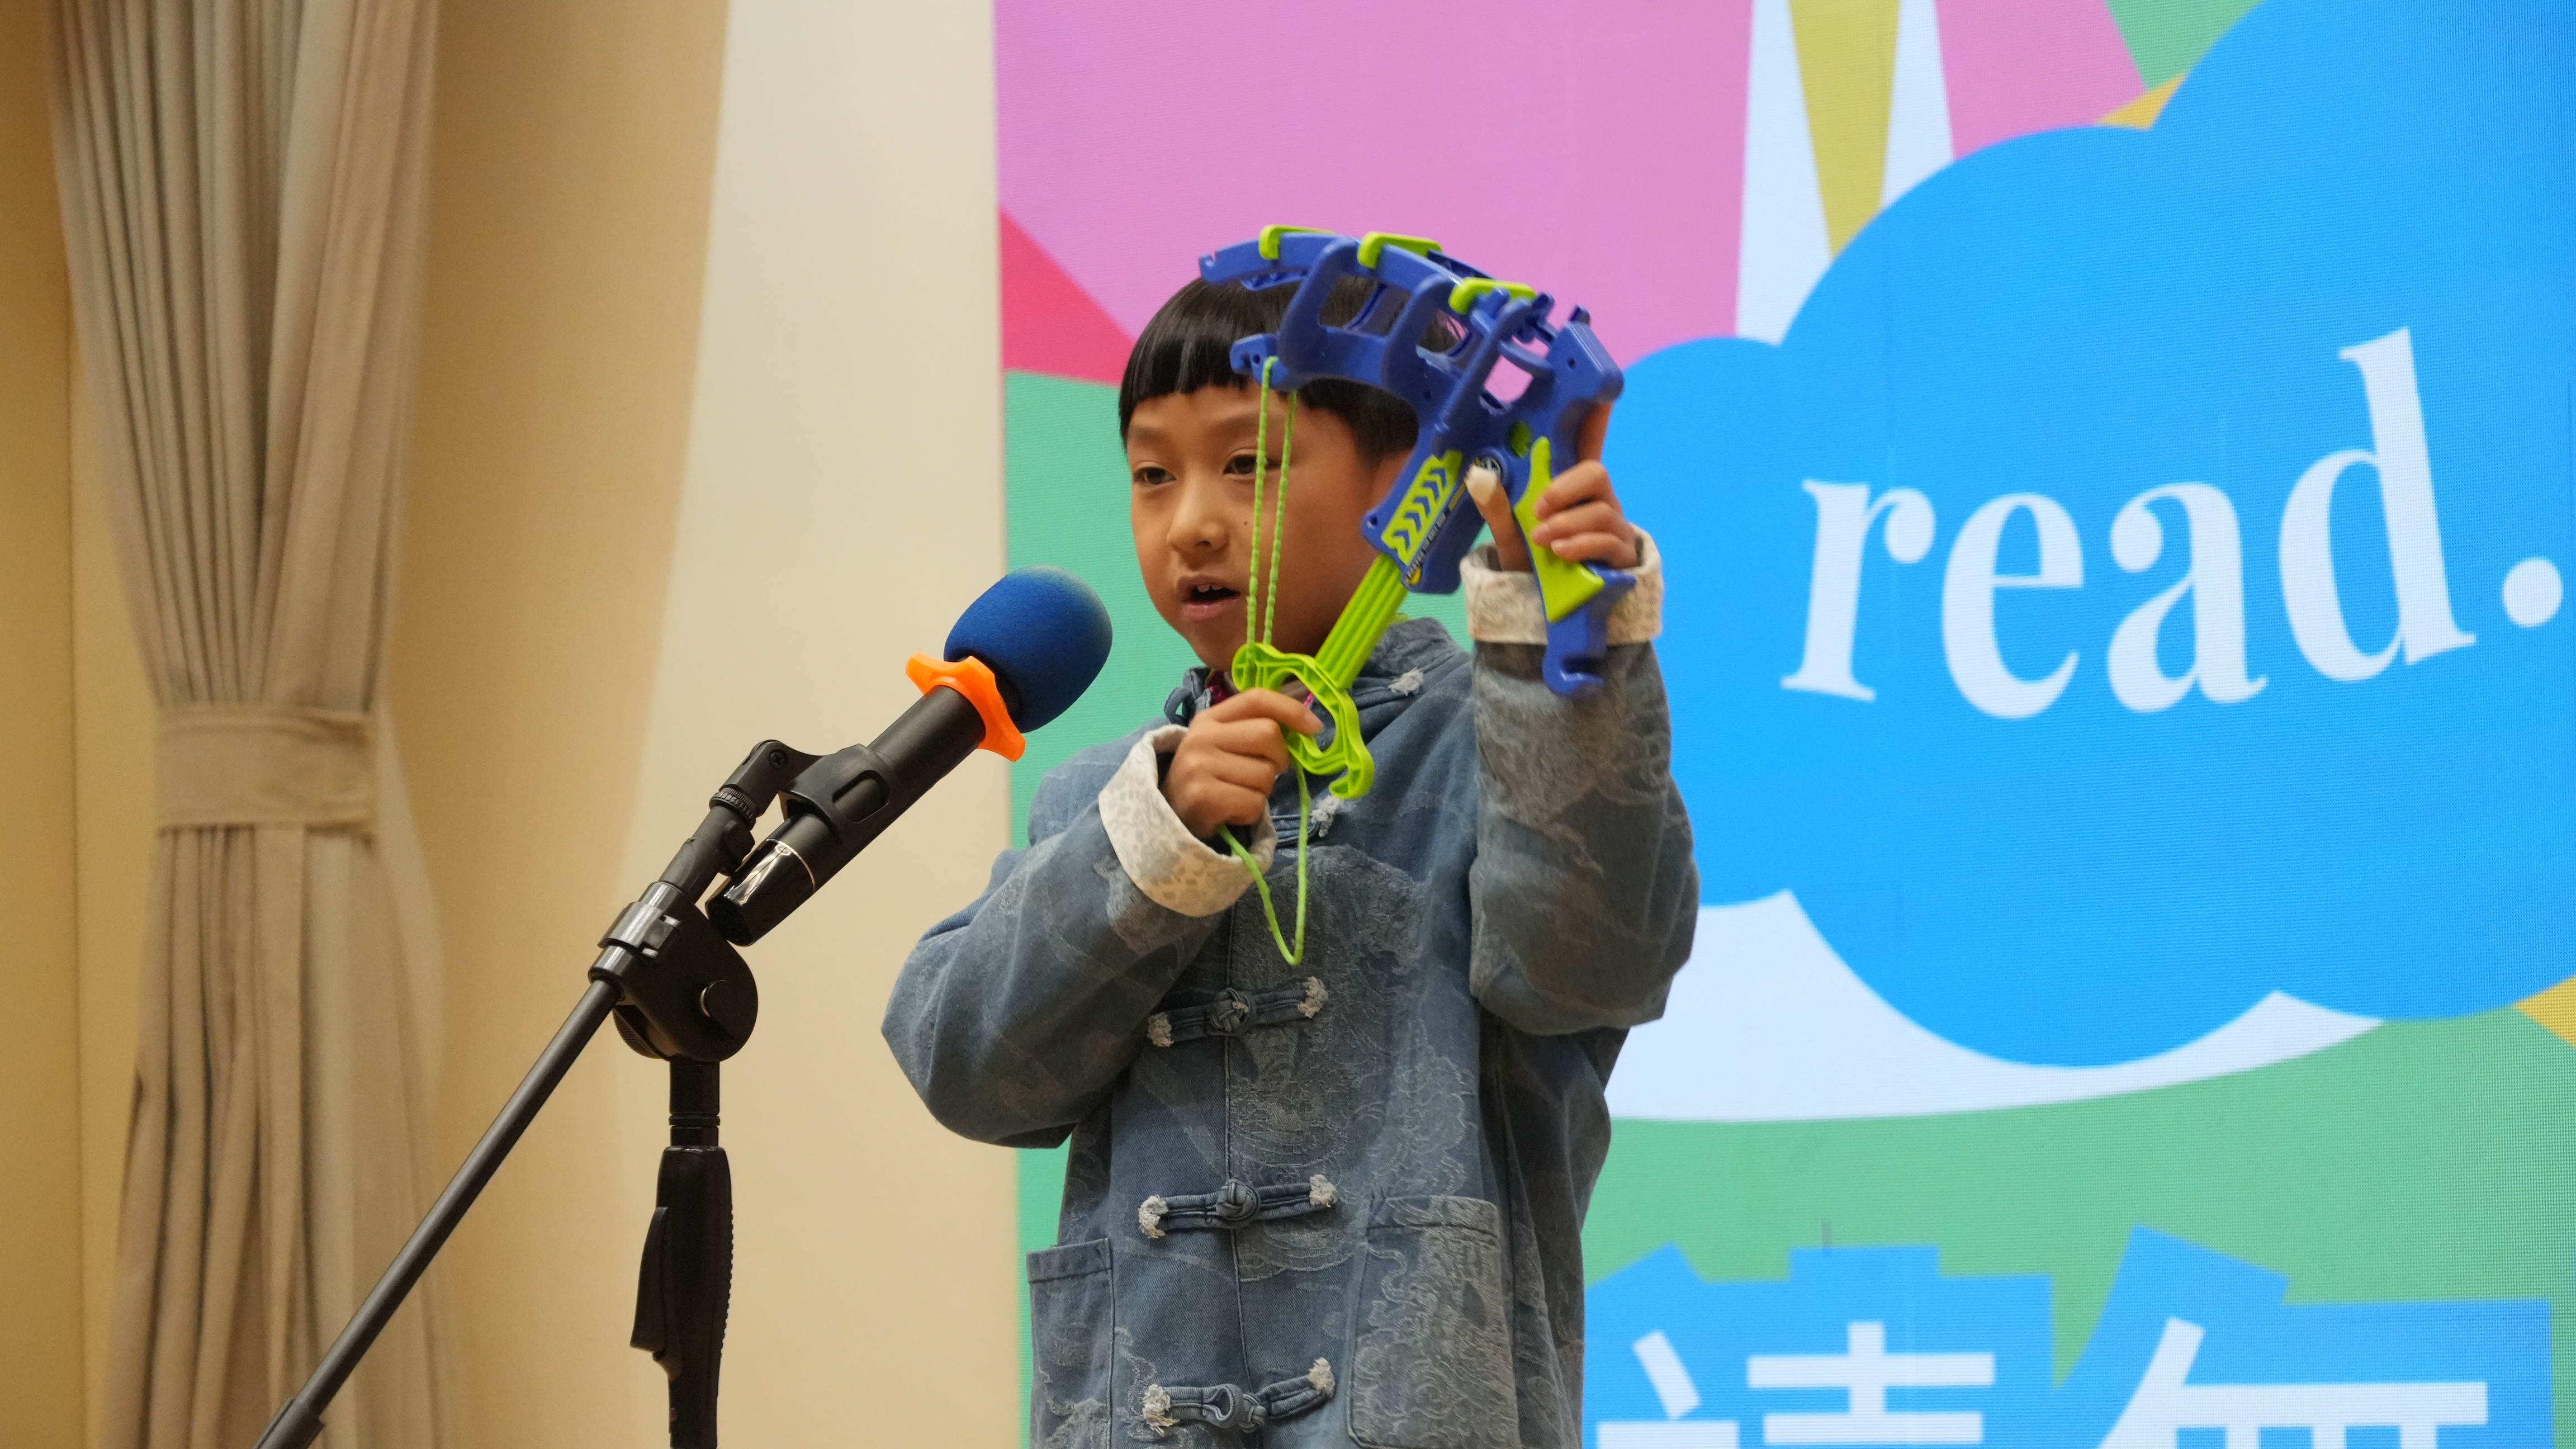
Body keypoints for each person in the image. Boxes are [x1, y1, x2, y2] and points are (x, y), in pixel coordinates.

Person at [882, 274, 1698, 1449]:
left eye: (1249, 463)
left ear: (1407, 482)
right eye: (1152, 473)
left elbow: (1593, 968)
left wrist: (1559, 658)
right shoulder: (1104, 797)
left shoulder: (1499, 744)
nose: (1190, 523)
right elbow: (966, 1068)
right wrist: (1149, 844)